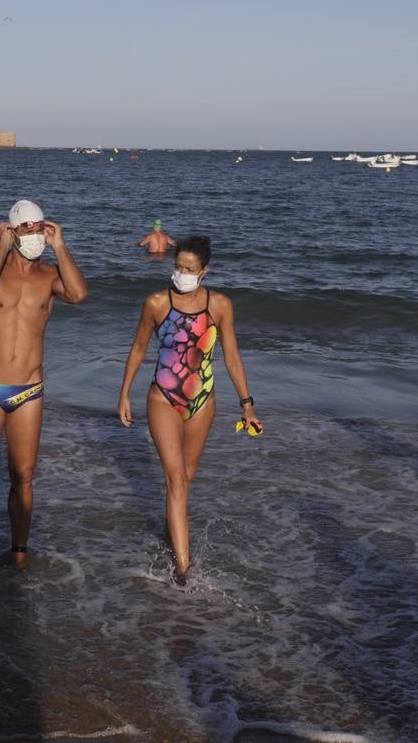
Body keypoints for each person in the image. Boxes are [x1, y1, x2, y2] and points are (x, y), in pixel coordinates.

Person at [117, 236, 262, 585]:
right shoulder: (157, 303)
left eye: (189, 269)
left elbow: (232, 357)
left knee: (185, 481)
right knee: (177, 482)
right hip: (163, 398)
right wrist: (124, 394)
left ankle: (173, 541)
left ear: (205, 272)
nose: (181, 274)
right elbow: (138, 349)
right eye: (178, 267)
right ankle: (183, 574)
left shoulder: (220, 305)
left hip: (202, 402)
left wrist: (248, 406)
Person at [0, 200, 89, 567]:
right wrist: (1, 245)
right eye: (27, 228)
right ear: (13, 230)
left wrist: (61, 246)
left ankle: (19, 549)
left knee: (24, 475)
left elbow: (79, 295)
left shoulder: (49, 276)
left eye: (40, 227)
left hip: (29, 390)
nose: (35, 234)